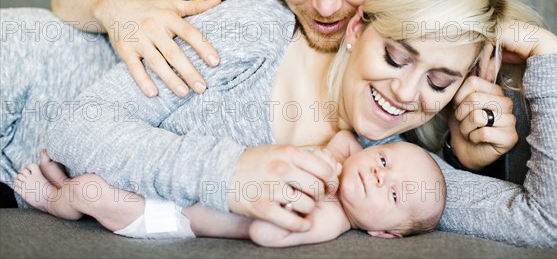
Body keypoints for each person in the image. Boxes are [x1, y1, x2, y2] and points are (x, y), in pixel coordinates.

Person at [18, 0, 515, 230]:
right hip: (23, 79)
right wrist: (119, 8)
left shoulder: (416, 40)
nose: (325, 5)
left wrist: (463, 147)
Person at [5, 0, 557, 248]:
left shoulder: (392, 173)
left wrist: (548, 55)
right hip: (17, 72)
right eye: (396, 56)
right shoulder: (258, 29)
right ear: (359, 28)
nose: (404, 92)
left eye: (440, 81)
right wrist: (233, 172)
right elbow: (77, 129)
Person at [14, 130, 446, 245]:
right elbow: (349, 139)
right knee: (108, 168)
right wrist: (345, 159)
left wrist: (299, 211)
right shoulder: (340, 163)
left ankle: (55, 200)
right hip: (189, 179)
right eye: (385, 161)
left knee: (94, 191)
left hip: (169, 217)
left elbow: (262, 233)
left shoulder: (330, 218)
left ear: (383, 233)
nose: (379, 176)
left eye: (393, 195)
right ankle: (69, 186)